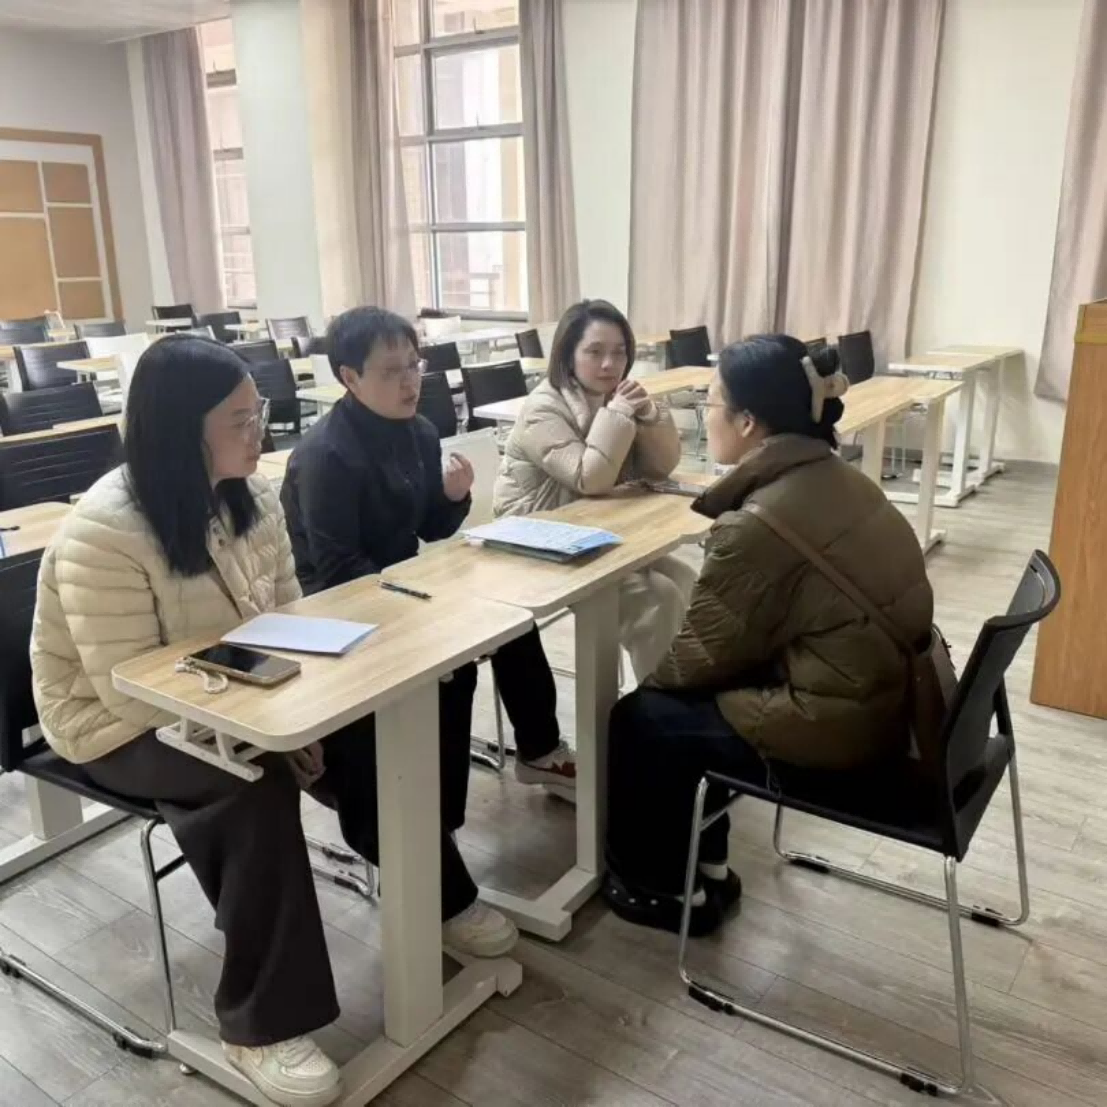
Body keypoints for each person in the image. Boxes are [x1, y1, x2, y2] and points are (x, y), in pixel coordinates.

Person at [29, 336, 513, 1107]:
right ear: (181, 427)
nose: (260, 430)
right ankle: (260, 1022)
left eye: (259, 413)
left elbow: (294, 619)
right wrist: (265, 732)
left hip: (241, 694)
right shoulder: (104, 530)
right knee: (250, 784)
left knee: (376, 731)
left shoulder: (251, 496)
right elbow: (128, 691)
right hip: (113, 723)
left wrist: (308, 713)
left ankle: (437, 895)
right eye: (240, 419)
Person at [603, 335, 935, 936]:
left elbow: (698, 660)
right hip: (889, 701)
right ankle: (709, 864)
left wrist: (657, 684)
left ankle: (661, 890)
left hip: (842, 729)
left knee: (643, 717)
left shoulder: (759, 523)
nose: (706, 416)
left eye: (710, 403)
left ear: (748, 422)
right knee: (695, 703)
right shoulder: (840, 477)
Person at [280, 307, 575, 799]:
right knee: (451, 668)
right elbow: (337, 572)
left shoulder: (417, 431)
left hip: (401, 585)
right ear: (349, 378)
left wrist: (453, 497)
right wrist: (425, 606)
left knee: (512, 619)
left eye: (414, 365)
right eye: (390, 371)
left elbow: (429, 528)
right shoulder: (325, 455)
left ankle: (540, 751)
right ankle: (440, 816)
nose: (409, 382)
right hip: (339, 609)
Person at [494, 299, 696, 680]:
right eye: (595, 352)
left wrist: (651, 417)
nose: (609, 364)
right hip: (535, 538)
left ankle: (681, 692)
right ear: (568, 356)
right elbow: (589, 478)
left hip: (591, 533)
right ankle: (659, 703)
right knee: (656, 600)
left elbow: (660, 467)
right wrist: (618, 414)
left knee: (685, 580)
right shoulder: (543, 408)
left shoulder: (612, 395)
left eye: (619, 352)